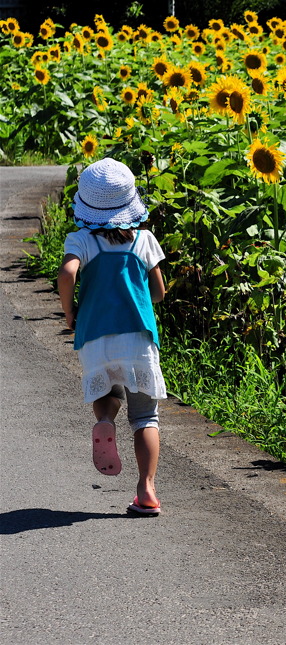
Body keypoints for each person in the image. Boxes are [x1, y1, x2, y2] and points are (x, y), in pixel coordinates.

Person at [57, 157, 167, 516]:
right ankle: (146, 490)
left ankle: (104, 422)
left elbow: (67, 273)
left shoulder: (81, 240)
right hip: (138, 338)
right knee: (145, 418)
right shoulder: (145, 240)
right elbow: (159, 292)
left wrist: (70, 310)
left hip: (96, 338)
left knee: (107, 391)